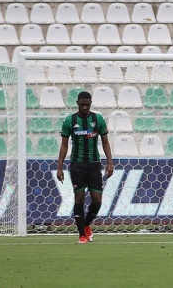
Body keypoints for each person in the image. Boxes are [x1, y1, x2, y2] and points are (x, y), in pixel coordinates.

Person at [56, 91, 114, 244]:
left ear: (90, 104)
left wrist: (110, 162)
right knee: (79, 197)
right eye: (82, 104)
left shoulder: (98, 119)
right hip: (77, 165)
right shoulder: (70, 120)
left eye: (87, 105)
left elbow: (106, 142)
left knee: (97, 200)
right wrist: (59, 167)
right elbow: (64, 145)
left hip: (94, 164)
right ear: (77, 103)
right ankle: (82, 235)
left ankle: (87, 224)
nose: (84, 107)